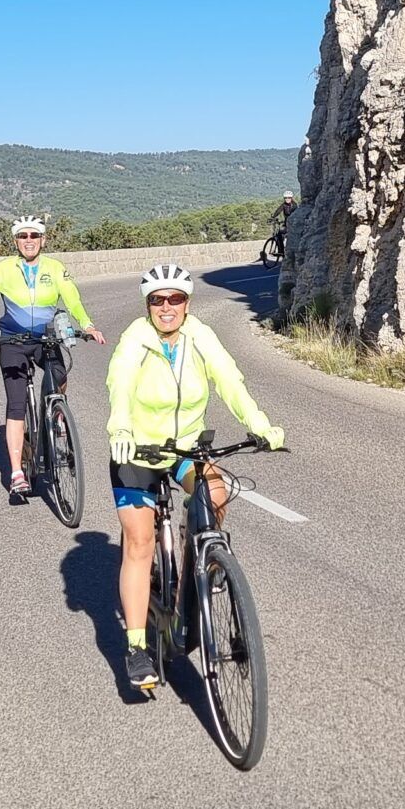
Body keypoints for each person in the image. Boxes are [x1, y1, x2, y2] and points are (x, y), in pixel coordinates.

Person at [104, 262, 283, 692]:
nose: (167, 307)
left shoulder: (200, 335)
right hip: (140, 451)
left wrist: (259, 423)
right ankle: (136, 647)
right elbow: (119, 383)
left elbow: (229, 379)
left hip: (186, 447)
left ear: (188, 303)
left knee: (216, 493)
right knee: (139, 542)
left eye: (176, 299)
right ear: (148, 305)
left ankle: (201, 562)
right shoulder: (136, 339)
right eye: (158, 300)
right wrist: (121, 430)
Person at [0, 218, 102, 498]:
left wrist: (87, 324)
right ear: (16, 241)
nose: (29, 240)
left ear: (43, 239)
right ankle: (17, 473)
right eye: (23, 236)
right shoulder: (5, 269)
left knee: (59, 378)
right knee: (16, 405)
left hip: (46, 338)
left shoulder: (54, 268)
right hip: (12, 341)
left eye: (34, 235)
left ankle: (53, 414)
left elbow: (72, 299)